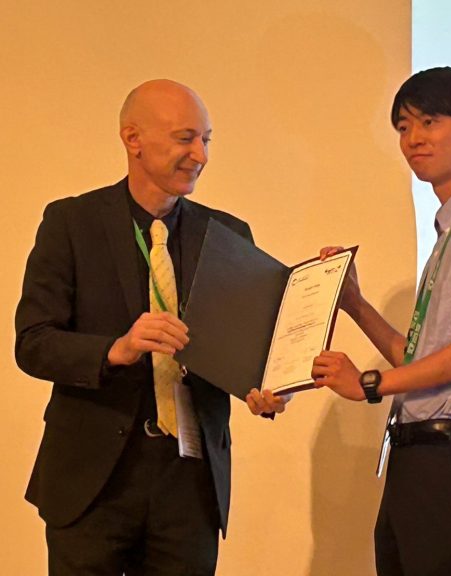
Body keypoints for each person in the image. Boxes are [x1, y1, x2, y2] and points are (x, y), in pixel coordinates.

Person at [15, 79, 285, 575]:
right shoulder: (71, 223)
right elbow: (33, 343)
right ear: (132, 138)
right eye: (185, 138)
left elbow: (251, 353)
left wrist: (268, 386)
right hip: (92, 480)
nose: (200, 155)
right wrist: (116, 349)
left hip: (189, 483)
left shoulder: (228, 235)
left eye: (206, 139)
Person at [312, 67, 451, 575]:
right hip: (416, 460)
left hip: (450, 462)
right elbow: (420, 359)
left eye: (429, 122)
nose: (412, 139)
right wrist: (355, 304)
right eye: (404, 126)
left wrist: (370, 384)